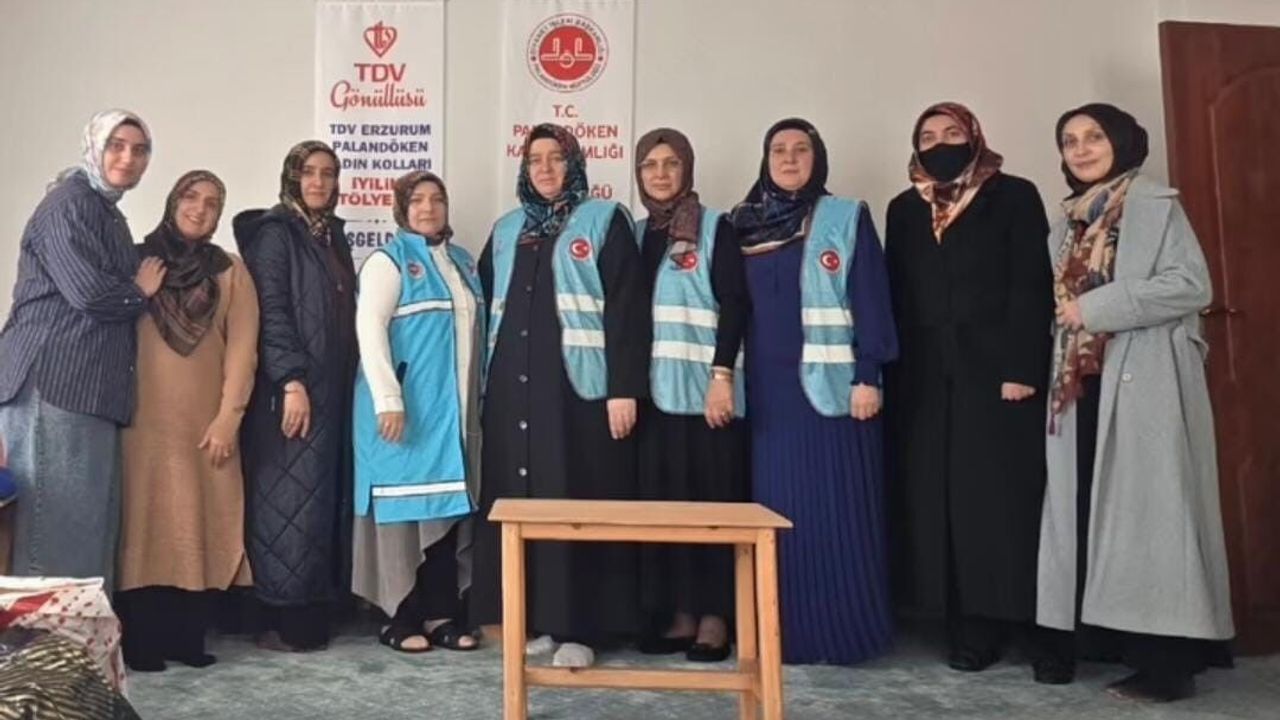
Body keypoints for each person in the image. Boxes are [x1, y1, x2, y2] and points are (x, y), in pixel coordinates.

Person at [1036, 103, 1234, 701]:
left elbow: (1191, 284)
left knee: (1152, 517)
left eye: (1093, 137)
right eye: (1069, 140)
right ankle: (1118, 645)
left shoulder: (1152, 203)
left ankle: (1169, 665)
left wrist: (1094, 309)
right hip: (1085, 382)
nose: (1081, 149)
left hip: (1146, 379)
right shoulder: (1070, 218)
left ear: (1121, 141)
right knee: (1099, 516)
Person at [883, 102, 1055, 677]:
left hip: (999, 375)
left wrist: (1023, 367)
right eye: (928, 136)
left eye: (951, 132)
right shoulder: (905, 208)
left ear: (975, 136)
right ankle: (967, 624)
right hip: (927, 380)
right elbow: (897, 294)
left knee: (1001, 502)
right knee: (946, 505)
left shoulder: (1014, 196)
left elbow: (1031, 283)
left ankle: (1023, 622)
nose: (940, 144)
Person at [469, 124, 649, 668]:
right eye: (535, 160)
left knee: (576, 494)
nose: (545, 169)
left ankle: (582, 628)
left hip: (578, 390)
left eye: (555, 158)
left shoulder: (604, 220)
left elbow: (626, 310)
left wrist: (623, 389)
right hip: (512, 390)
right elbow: (485, 307)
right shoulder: (507, 230)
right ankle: (536, 617)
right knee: (523, 498)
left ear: (574, 164)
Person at [731, 118, 897, 665]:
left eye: (800, 149)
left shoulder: (845, 217)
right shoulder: (741, 225)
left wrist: (869, 374)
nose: (789, 158)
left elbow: (871, 297)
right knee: (780, 518)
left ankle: (848, 636)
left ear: (817, 158)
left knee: (840, 515)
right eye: (778, 149)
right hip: (769, 400)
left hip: (837, 395)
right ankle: (786, 636)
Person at [0, 109, 164, 588]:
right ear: (94, 147)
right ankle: (41, 632)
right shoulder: (68, 203)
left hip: (85, 387)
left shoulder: (103, 209)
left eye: (140, 150)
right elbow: (88, 293)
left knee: (88, 523)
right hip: (53, 381)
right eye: (117, 145)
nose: (128, 158)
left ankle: (82, 630)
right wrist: (139, 292)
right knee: (54, 524)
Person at [116, 170, 259, 671]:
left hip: (204, 424)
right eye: (191, 197)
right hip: (139, 424)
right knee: (143, 527)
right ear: (173, 201)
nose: (200, 208)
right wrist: (137, 292)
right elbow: (102, 326)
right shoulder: (137, 261)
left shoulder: (230, 271)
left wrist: (228, 420)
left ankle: (185, 637)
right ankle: (141, 640)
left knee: (199, 524)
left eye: (212, 202)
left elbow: (242, 353)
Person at [233, 141, 357, 652]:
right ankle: (283, 617)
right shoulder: (275, 234)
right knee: (285, 503)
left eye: (328, 173)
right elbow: (273, 312)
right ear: (292, 177)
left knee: (315, 503)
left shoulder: (329, 235)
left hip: (331, 393)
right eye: (309, 172)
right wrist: (291, 380)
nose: (319, 182)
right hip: (292, 394)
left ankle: (311, 609)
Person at [631, 128, 749, 663]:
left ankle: (715, 617)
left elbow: (735, 304)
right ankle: (679, 612)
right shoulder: (636, 234)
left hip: (707, 399)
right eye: (650, 165)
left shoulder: (715, 227)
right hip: (655, 399)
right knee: (667, 509)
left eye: (671, 163)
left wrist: (722, 377)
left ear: (687, 169)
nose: (660, 174)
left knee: (712, 506)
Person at [352, 171, 480, 653]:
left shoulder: (462, 262)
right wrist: (389, 398)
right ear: (402, 208)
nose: (428, 208)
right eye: (418, 200)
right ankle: (399, 618)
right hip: (404, 414)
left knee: (447, 513)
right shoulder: (387, 262)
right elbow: (370, 330)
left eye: (437, 199)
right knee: (404, 519)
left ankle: (442, 614)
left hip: (454, 416)